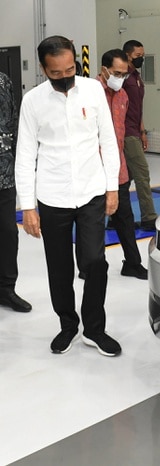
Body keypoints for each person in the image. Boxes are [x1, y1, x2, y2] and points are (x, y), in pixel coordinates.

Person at [15, 36, 122, 356]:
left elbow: (109, 140)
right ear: (43, 69)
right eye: (56, 73)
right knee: (59, 266)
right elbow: (24, 155)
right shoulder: (33, 102)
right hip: (52, 196)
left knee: (95, 262)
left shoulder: (92, 91)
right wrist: (28, 208)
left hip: (91, 193)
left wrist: (112, 187)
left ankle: (94, 329)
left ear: (76, 62)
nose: (64, 77)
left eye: (70, 69)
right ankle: (68, 324)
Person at [96, 49, 148, 280]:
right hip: (94, 172)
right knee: (93, 223)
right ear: (104, 70)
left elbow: (120, 134)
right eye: (117, 73)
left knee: (125, 219)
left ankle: (133, 264)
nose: (121, 79)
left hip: (118, 170)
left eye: (124, 75)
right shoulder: (91, 94)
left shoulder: (123, 95)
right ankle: (91, 267)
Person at [0, 72, 32, 313]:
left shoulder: (3, 81)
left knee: (8, 233)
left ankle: (6, 289)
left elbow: (13, 120)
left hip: (4, 171)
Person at [122, 39, 157, 231]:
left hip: (135, 130)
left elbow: (138, 109)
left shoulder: (136, 77)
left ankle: (115, 216)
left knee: (125, 179)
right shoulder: (122, 77)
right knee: (142, 173)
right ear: (127, 55)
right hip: (127, 133)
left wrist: (143, 131)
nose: (141, 59)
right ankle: (149, 218)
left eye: (142, 56)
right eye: (138, 56)